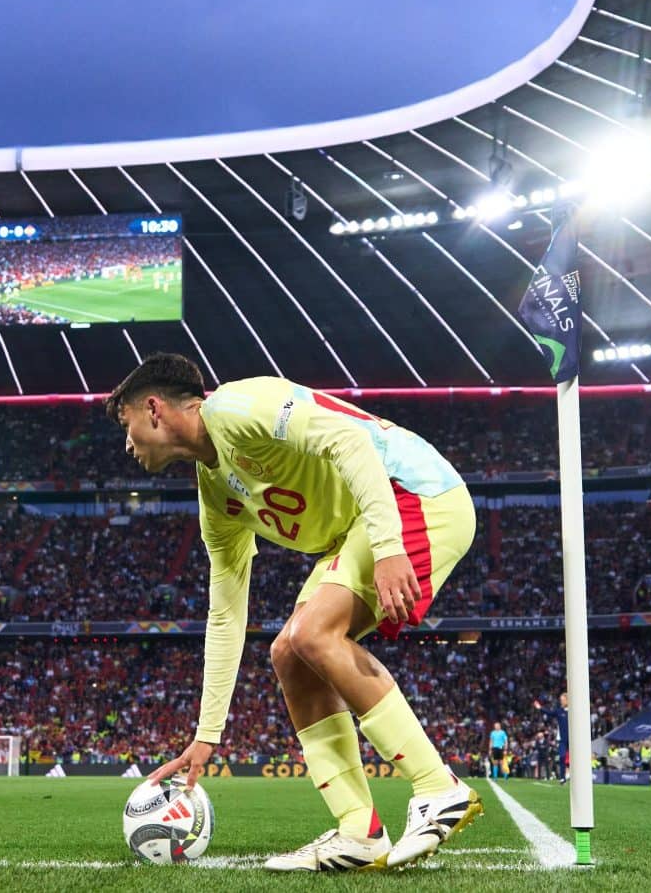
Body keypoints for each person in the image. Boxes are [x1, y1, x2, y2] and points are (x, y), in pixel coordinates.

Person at [117, 355, 476, 873]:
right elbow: (225, 612)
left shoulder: (239, 405)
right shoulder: (215, 494)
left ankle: (438, 787)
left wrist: (389, 545)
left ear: (153, 408)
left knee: (312, 633)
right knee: (289, 653)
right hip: (360, 526)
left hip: (413, 494)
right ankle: (359, 832)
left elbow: (349, 440)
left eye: (126, 423)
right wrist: (206, 735)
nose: (126, 444)